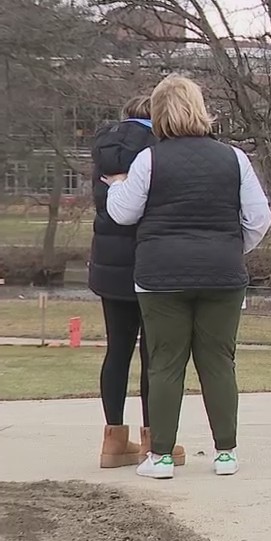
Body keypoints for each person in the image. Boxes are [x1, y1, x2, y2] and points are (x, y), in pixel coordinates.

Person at [104, 75, 271, 480]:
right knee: (218, 362)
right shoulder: (234, 158)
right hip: (222, 275)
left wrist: (117, 188)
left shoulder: (149, 160)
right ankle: (226, 452)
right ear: (201, 110)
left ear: (158, 114)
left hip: (160, 277)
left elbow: (123, 213)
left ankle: (160, 456)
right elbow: (259, 218)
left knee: (165, 363)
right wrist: (234, 248)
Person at [89, 94, 185, 468]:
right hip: (148, 259)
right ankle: (152, 437)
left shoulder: (103, 148)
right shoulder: (157, 149)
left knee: (117, 350)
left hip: (107, 261)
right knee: (154, 355)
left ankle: (113, 438)